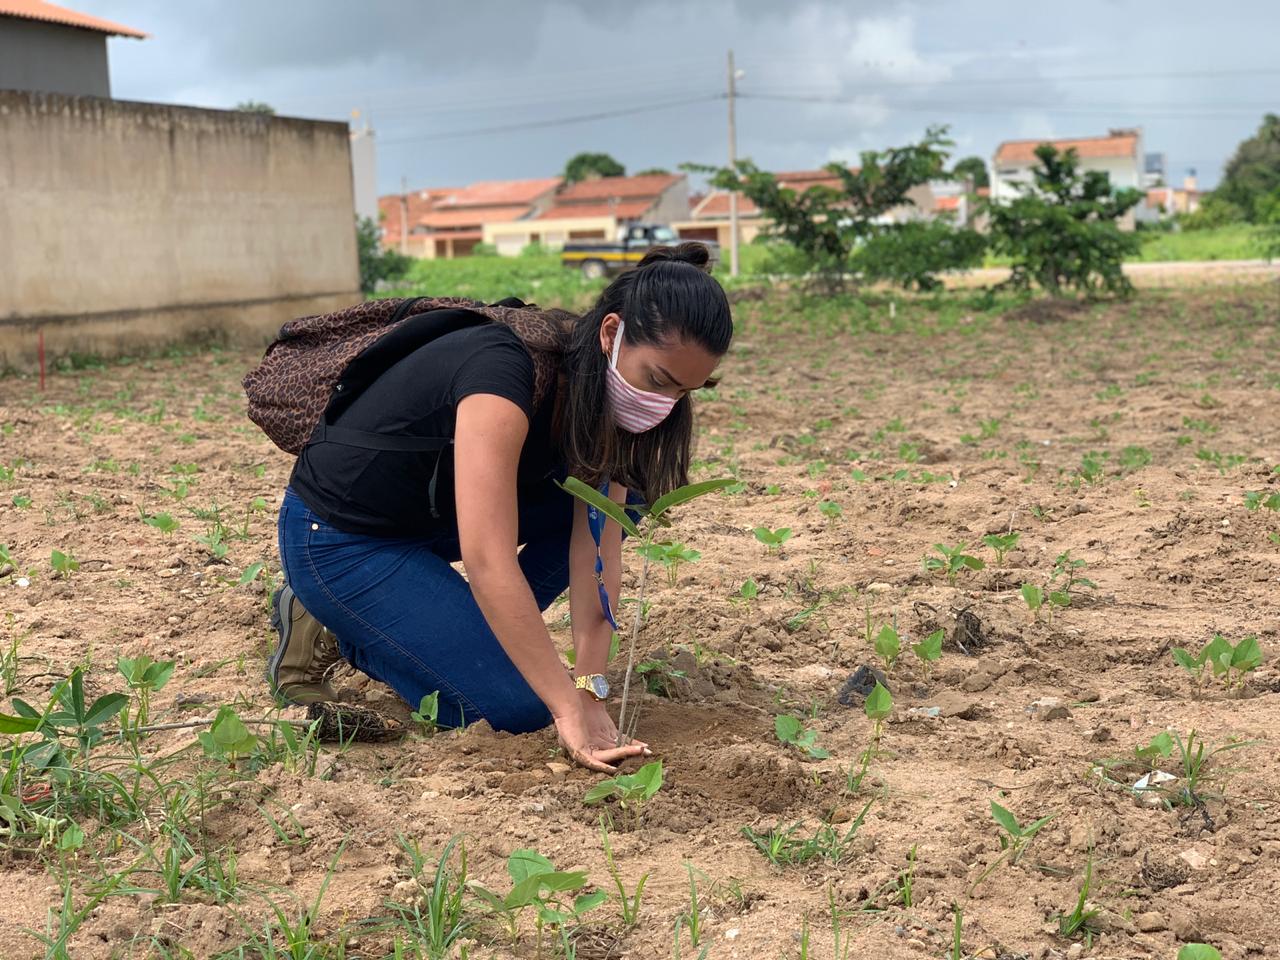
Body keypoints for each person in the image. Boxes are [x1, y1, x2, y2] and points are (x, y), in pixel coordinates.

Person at [268, 243, 733, 772]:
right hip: (342, 537)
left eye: (686, 392)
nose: (662, 406)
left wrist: (590, 692)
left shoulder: (608, 407)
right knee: (518, 708)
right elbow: (489, 559)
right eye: (657, 380)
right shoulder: (504, 373)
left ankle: (435, 621)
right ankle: (344, 624)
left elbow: (597, 563)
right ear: (610, 334)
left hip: (433, 517)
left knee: (629, 503)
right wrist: (562, 706)